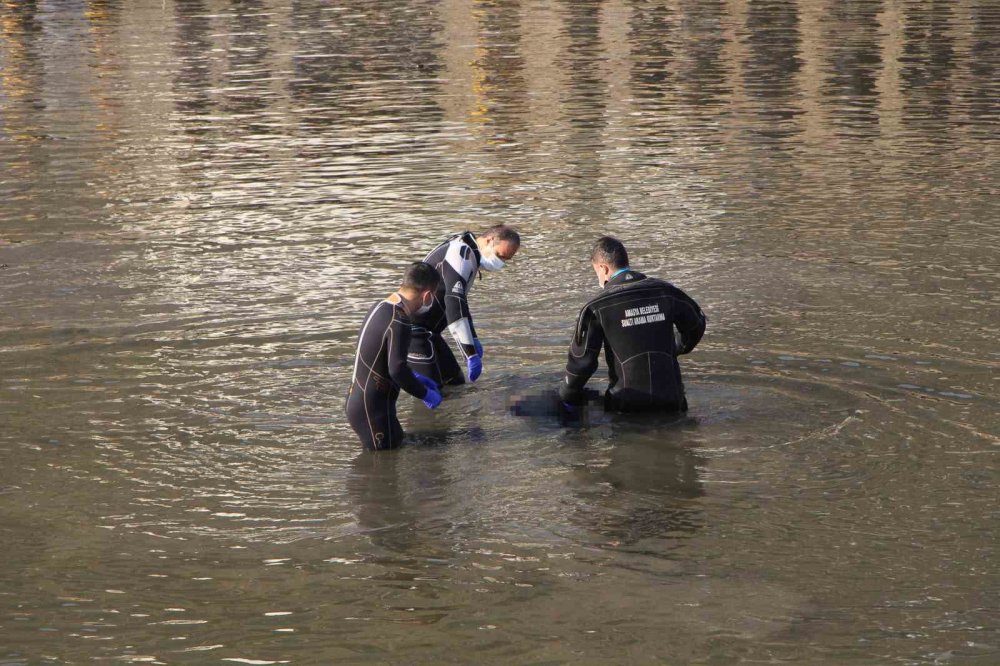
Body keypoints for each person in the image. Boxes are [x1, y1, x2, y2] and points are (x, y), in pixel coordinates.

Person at [560, 236, 706, 413]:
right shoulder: (666, 292)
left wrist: (566, 396)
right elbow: (696, 326)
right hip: (672, 400)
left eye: (596, 272)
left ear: (603, 268)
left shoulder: (596, 307)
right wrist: (676, 348)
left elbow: (582, 364)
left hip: (625, 407)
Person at [346, 262, 445, 450]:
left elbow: (384, 358)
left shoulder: (382, 306)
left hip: (364, 403)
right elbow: (397, 370)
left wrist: (415, 377)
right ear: (427, 296)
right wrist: (425, 394)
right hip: (373, 410)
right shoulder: (400, 320)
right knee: (380, 472)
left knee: (394, 458)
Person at [407, 225, 521, 386]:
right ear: (489, 240)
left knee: (456, 384)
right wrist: (470, 354)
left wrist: (473, 338)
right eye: (500, 256)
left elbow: (461, 303)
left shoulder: (470, 253)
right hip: (412, 332)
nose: (500, 263)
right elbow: (454, 303)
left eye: (505, 260)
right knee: (433, 391)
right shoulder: (460, 254)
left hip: (430, 333)